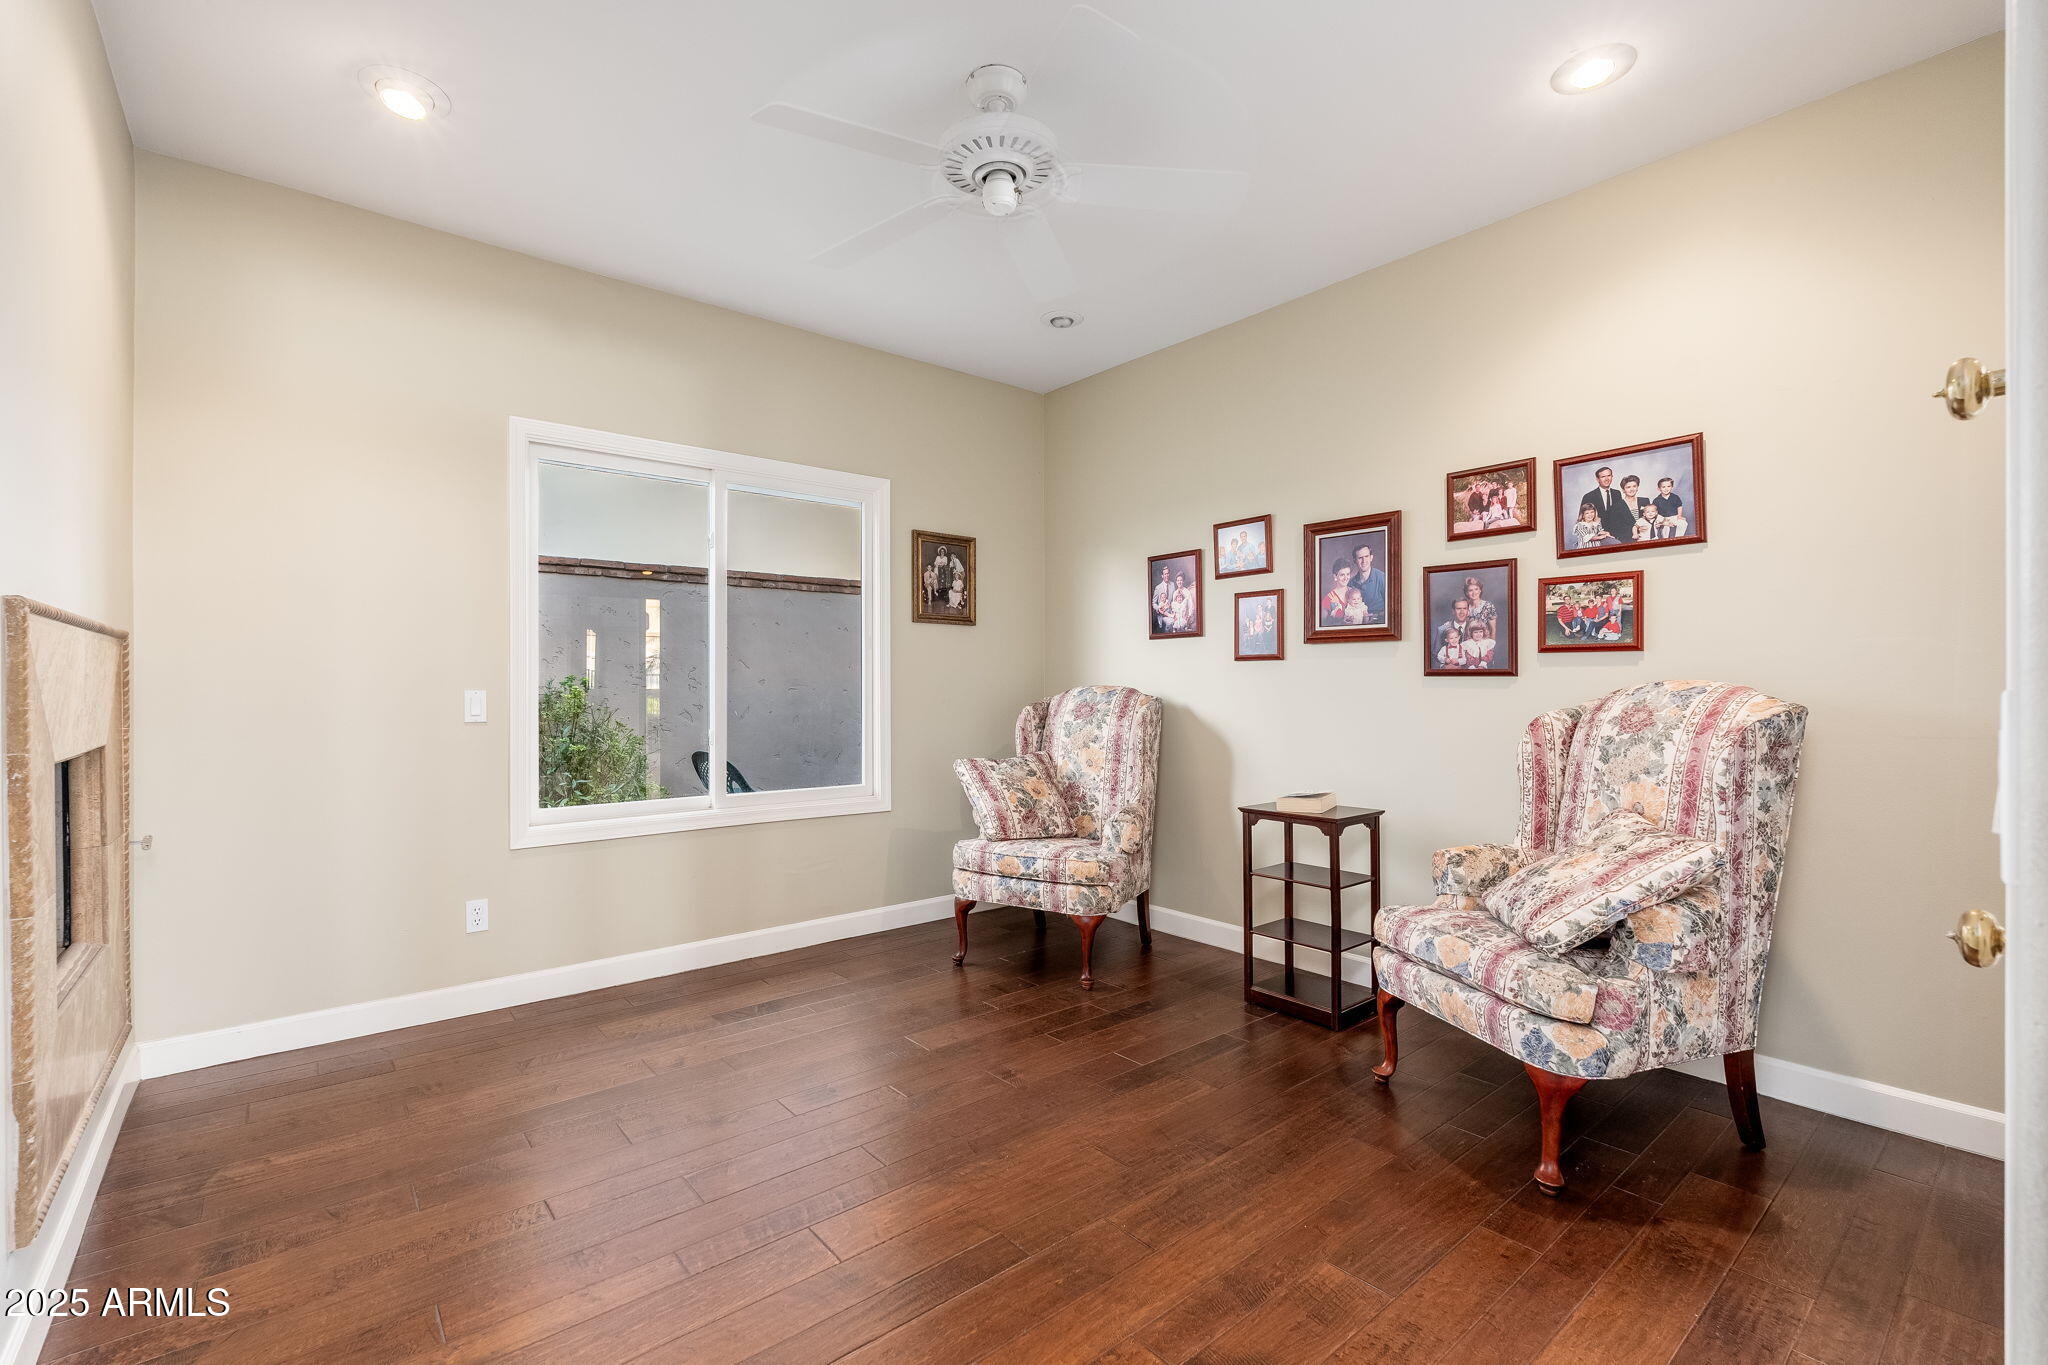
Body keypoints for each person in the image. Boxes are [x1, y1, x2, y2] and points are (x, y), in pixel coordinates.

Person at [1579, 465, 1637, 543]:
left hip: (1617, 533)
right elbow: (1582, 519)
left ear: (1612, 476)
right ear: (1597, 479)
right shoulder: (1589, 496)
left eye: (1609, 476)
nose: (1607, 479)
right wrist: (1598, 533)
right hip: (1598, 534)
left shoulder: (1617, 493)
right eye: (1603, 476)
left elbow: (1620, 516)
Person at [1348, 541, 1388, 623]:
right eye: (1360, 558)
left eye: (1366, 556)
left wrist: (1376, 617)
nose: (1364, 561)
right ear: (1355, 560)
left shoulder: (1383, 578)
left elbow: (1393, 608)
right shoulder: (1350, 583)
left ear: (1371, 557)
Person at [1152, 565, 1175, 632]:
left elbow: (1173, 600)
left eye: (1168, 573)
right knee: (1170, 623)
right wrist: (1158, 608)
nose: (1167, 575)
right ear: (1162, 576)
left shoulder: (1173, 585)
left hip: (1171, 612)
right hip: (1162, 614)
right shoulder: (1158, 588)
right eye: (1165, 574)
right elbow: (1153, 603)